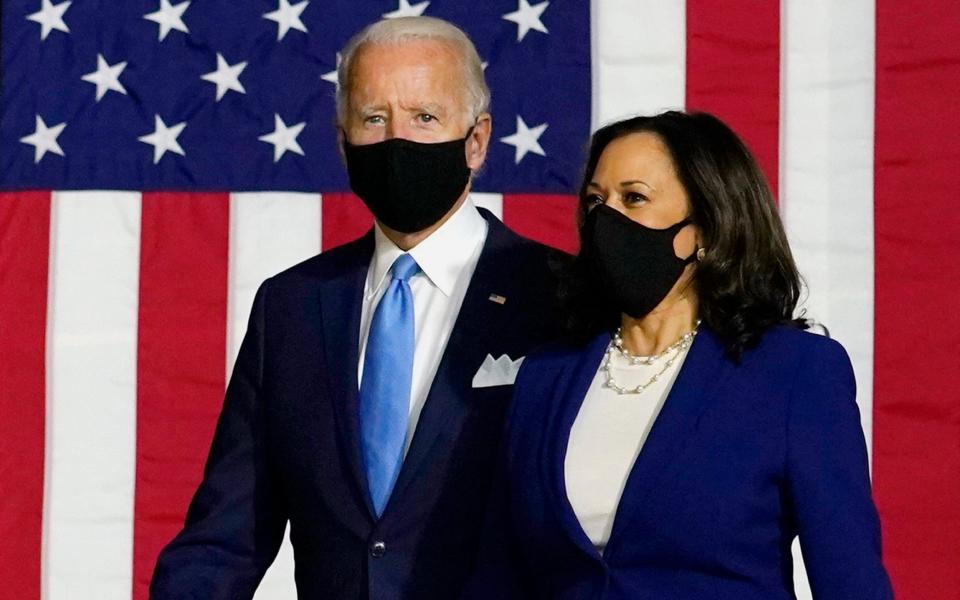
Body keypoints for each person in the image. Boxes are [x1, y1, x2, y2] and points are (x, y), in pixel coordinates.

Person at [150, 16, 564, 599]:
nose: (398, 139)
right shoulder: (290, 308)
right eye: (375, 118)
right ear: (343, 141)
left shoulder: (561, 298)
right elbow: (226, 537)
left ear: (476, 140)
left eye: (425, 117)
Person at [464, 111, 894, 599]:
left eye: (635, 198)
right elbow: (499, 575)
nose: (607, 219)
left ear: (706, 228)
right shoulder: (545, 377)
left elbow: (850, 578)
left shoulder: (794, 373)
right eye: (596, 201)